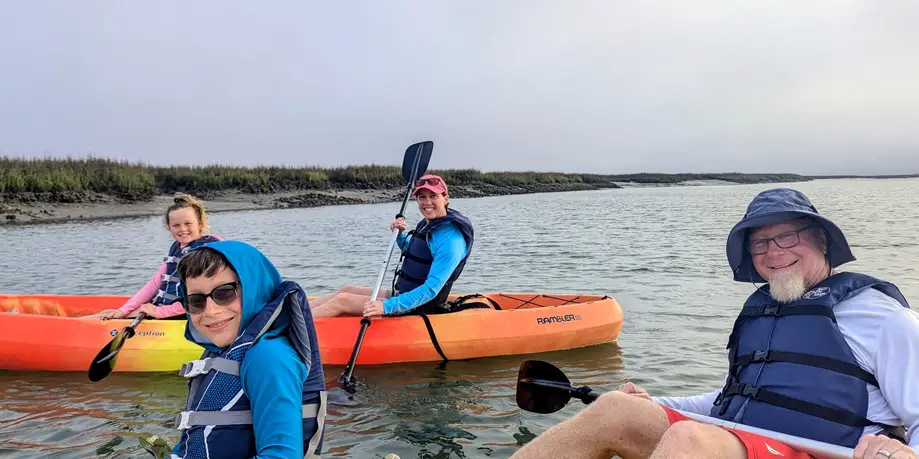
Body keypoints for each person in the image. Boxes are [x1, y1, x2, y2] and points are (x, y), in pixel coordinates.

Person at [510, 188, 919, 459]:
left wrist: (905, 452)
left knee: (691, 440)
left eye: (789, 237)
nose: (773, 252)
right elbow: (731, 397)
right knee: (616, 407)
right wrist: (658, 405)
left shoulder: (881, 318)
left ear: (822, 242)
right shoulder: (762, 312)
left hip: (818, 452)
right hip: (742, 442)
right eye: (760, 242)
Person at [169, 240, 327, 459]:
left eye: (224, 293)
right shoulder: (222, 350)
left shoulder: (268, 358)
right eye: (196, 301)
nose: (211, 311)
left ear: (255, 288)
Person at [309, 174, 474, 318]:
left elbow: (431, 290)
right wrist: (400, 236)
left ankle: (292, 328)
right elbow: (417, 254)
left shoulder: (451, 240)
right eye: (422, 197)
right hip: (405, 294)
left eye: (433, 195)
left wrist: (386, 307)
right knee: (346, 289)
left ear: (446, 198)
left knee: (342, 301)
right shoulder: (429, 223)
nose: (427, 202)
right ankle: (296, 312)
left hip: (421, 305)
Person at [84, 193, 222, 320]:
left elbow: (203, 295)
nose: (182, 229)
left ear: (200, 223)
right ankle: (68, 326)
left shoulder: (207, 250)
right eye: (176, 225)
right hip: (165, 308)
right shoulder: (176, 248)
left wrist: (160, 312)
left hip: (188, 314)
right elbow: (155, 283)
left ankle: (67, 331)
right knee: (109, 314)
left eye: (188, 223)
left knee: (109, 318)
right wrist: (124, 310)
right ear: (168, 227)